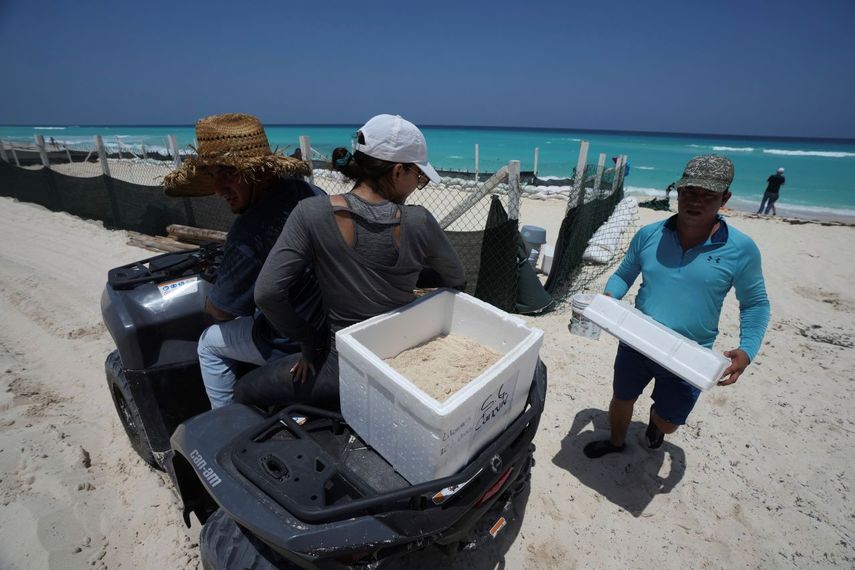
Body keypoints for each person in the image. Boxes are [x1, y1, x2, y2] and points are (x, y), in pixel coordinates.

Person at [235, 114, 466, 408]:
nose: (417, 184)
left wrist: (309, 342)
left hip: (339, 370)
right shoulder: (419, 221)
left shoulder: (311, 213)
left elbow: (266, 294)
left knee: (243, 390)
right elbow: (456, 279)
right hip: (401, 366)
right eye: (418, 177)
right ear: (398, 171)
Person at [584, 155, 770, 458]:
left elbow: (756, 304)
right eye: (689, 193)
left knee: (670, 422)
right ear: (678, 192)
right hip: (638, 339)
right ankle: (616, 443)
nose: (695, 202)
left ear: (725, 198)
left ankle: (658, 424)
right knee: (622, 397)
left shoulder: (741, 249)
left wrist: (748, 349)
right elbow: (623, 275)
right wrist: (607, 301)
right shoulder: (649, 235)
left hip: (690, 352)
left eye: (708, 196)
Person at [162, 113, 326, 409]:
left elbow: (222, 311)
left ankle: (224, 422)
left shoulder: (250, 232)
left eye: (228, 173)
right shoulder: (309, 192)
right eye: (214, 175)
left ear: (261, 172)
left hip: (292, 342)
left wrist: (210, 303)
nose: (218, 188)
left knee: (209, 343)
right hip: (331, 321)